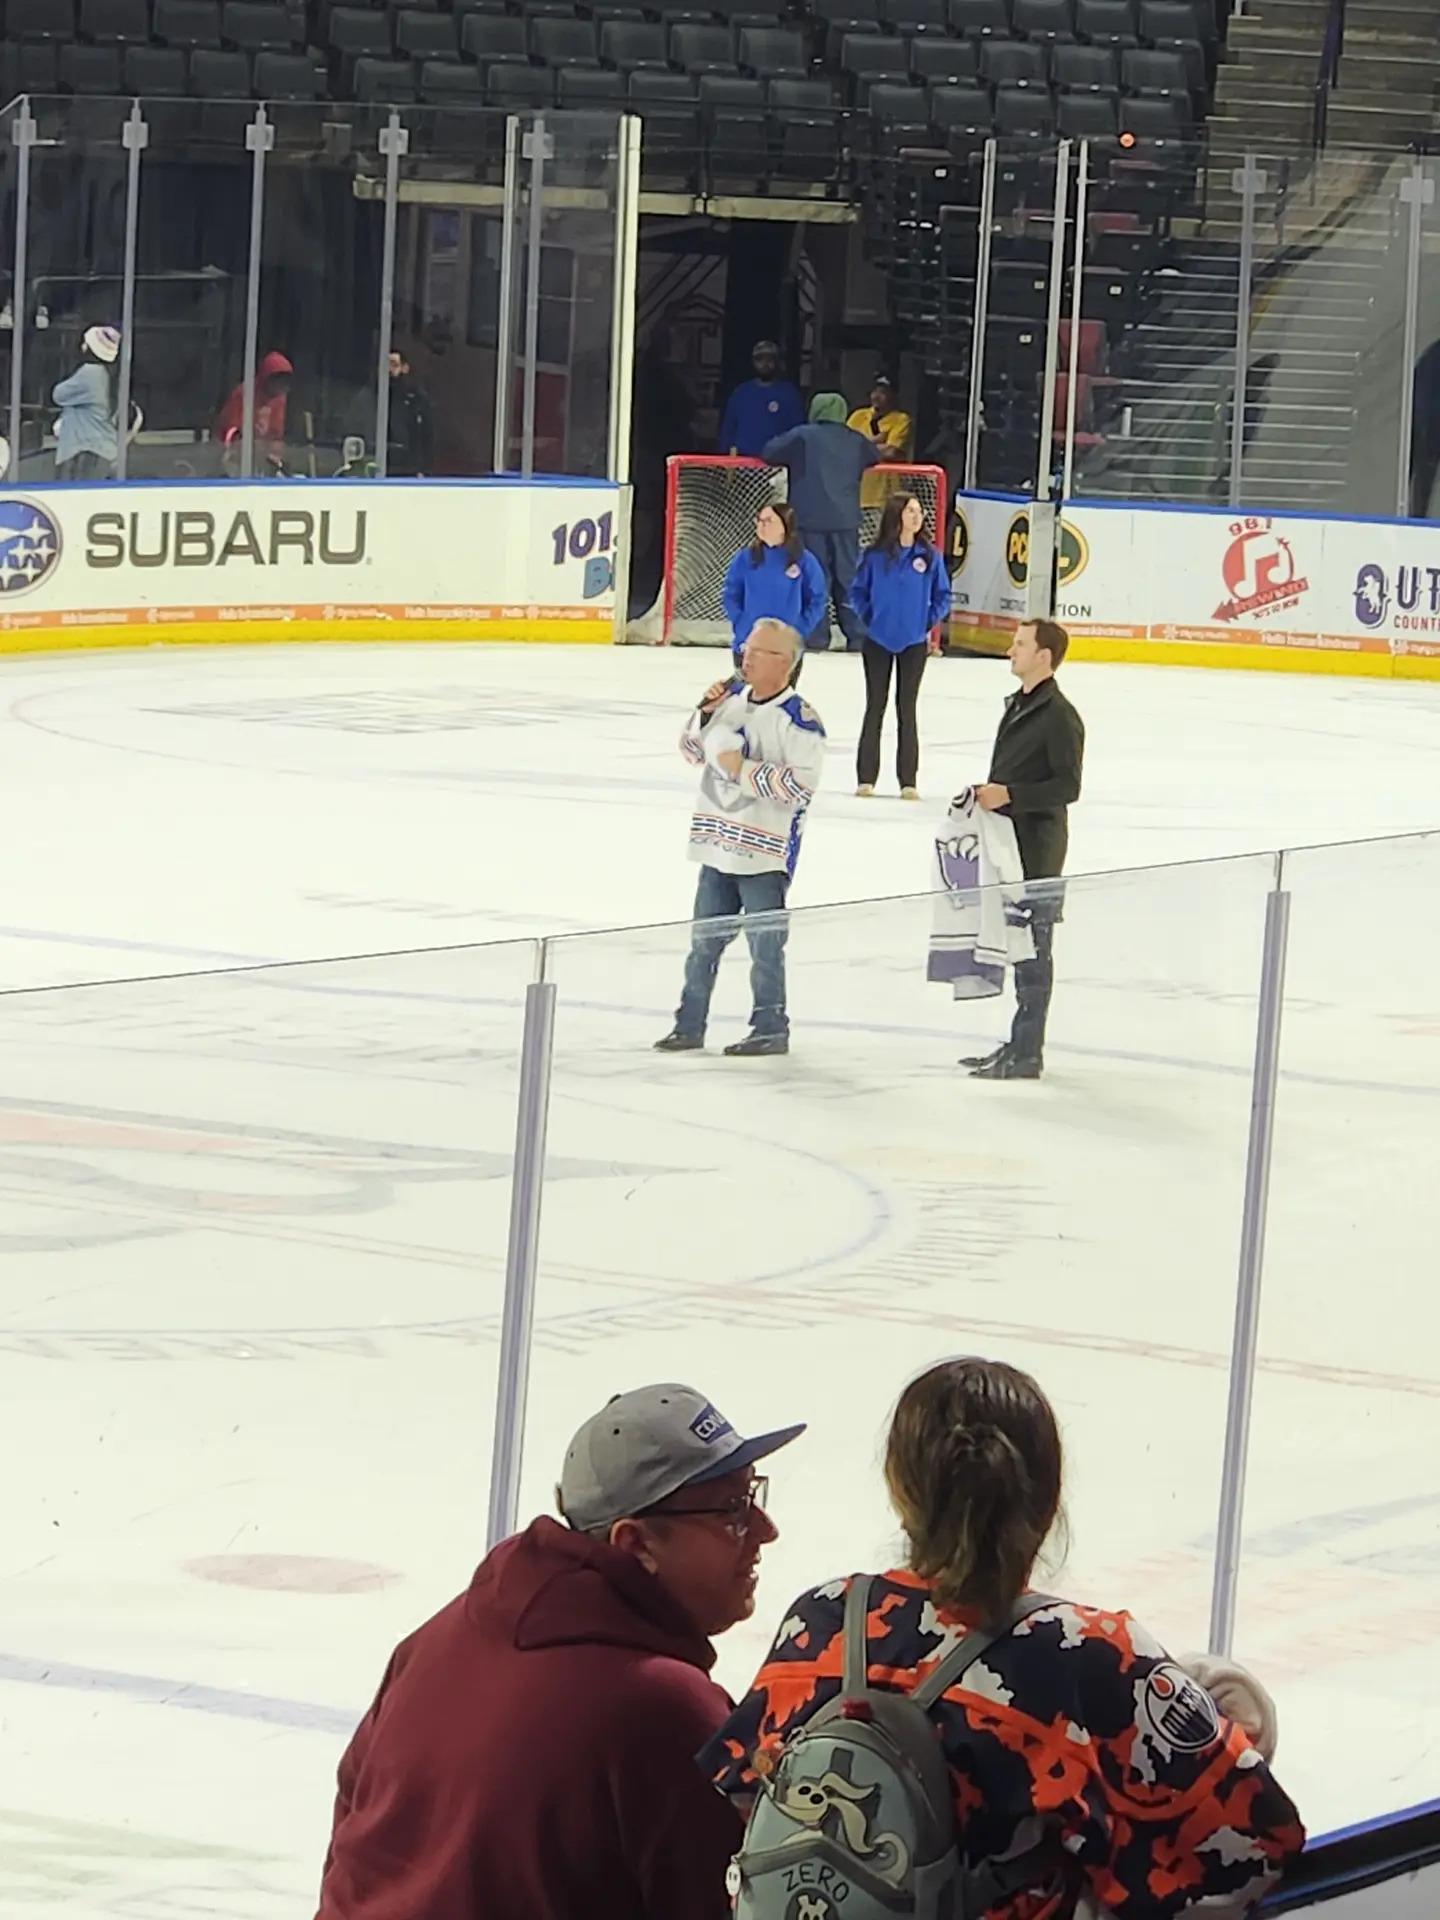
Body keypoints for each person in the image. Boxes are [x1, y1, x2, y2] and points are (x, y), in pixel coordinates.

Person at [705, 1355, 1305, 1919]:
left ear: (901, 1489)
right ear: (1046, 1495)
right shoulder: (1089, 1653)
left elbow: (743, 1792)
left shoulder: (821, 1617)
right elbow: (1254, 1846)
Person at [316, 1382, 801, 1920]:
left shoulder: (436, 1639)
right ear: (635, 1544)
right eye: (731, 1511)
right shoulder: (662, 1705)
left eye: (753, 1495)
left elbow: (350, 1834)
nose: (765, 1529)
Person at [655, 619, 824, 1058]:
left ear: (785, 663)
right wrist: (705, 713)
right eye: (745, 648)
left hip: (763, 855)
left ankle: (770, 1027)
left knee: (766, 947)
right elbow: (692, 752)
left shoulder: (800, 720)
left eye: (756, 651)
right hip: (717, 846)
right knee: (702, 946)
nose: (744, 657)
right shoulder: (729, 702)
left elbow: (800, 788)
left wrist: (739, 769)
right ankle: (688, 1024)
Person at [965, 618, 1084, 1081]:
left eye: (1020, 644)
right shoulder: (1019, 705)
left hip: (1038, 850)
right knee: (1019, 944)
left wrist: (1010, 794)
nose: (1011, 649)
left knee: (1034, 948)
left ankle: (1028, 1051)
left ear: (1044, 656)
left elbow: (1067, 786)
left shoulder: (1059, 715)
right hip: (1010, 844)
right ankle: (1019, 1041)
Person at [851, 491, 949, 800]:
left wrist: (925, 621)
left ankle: (908, 780)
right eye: (910, 511)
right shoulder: (874, 556)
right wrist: (871, 619)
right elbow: (858, 592)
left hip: (913, 643)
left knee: (907, 709)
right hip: (878, 641)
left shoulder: (929, 557)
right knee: (875, 707)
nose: (917, 517)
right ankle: (866, 778)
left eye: (919, 511)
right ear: (897, 516)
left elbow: (943, 595)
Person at [763, 393, 880, 652]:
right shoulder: (855, 439)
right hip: (846, 519)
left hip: (808, 518)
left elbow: (769, 452)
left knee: (815, 578)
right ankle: (858, 636)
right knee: (849, 578)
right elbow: (875, 456)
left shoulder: (802, 435)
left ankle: (816, 636)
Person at [721, 502, 828, 668]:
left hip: (786, 647)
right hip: (749, 644)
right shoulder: (745, 558)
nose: (762, 525)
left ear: (785, 525)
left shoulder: (804, 560)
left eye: (768, 521)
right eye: (759, 520)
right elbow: (731, 594)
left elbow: (817, 599)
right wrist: (742, 624)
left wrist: (799, 630)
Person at [53, 325, 121, 480]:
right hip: (103, 452)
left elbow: (58, 394)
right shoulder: (108, 374)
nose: (82, 346)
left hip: (85, 452)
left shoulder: (89, 373)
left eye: (85, 343)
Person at [718, 341, 804, 458]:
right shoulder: (741, 393)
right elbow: (728, 430)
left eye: (770, 359)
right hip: (743, 463)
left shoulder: (788, 393)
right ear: (753, 363)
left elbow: (797, 433)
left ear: (777, 362)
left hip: (776, 464)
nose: (765, 364)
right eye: (760, 359)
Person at [215, 350, 293, 469]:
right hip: (235, 456)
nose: (281, 387)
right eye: (278, 381)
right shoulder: (244, 393)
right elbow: (229, 431)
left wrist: (275, 452)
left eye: (285, 382)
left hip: (265, 457)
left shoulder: (279, 397)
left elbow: (277, 433)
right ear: (267, 378)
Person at [846, 374, 914, 511]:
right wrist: (876, 441)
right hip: (857, 492)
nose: (877, 396)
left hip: (886, 497)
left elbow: (891, 451)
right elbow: (845, 446)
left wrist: (861, 443)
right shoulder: (858, 416)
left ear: (893, 396)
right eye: (875, 391)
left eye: (883, 392)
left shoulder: (901, 419)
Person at [385, 348, 434, 476]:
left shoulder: (417, 399)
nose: (389, 370)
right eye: (386, 365)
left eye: (394, 365)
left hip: (408, 471)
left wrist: (423, 470)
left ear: (405, 368)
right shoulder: (370, 396)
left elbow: (427, 437)